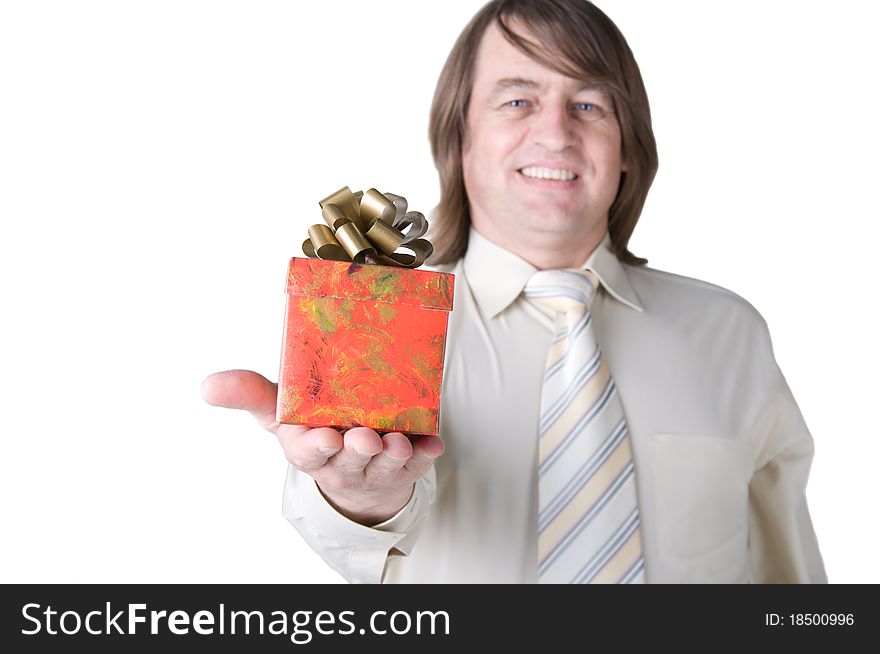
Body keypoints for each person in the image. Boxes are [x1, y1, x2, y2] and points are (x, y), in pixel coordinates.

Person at [201, 0, 827, 584]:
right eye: (517, 101)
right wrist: (358, 498)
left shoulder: (730, 332)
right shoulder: (380, 328)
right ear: (460, 138)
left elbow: (788, 579)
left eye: (588, 105)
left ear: (627, 147)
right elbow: (348, 544)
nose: (555, 135)